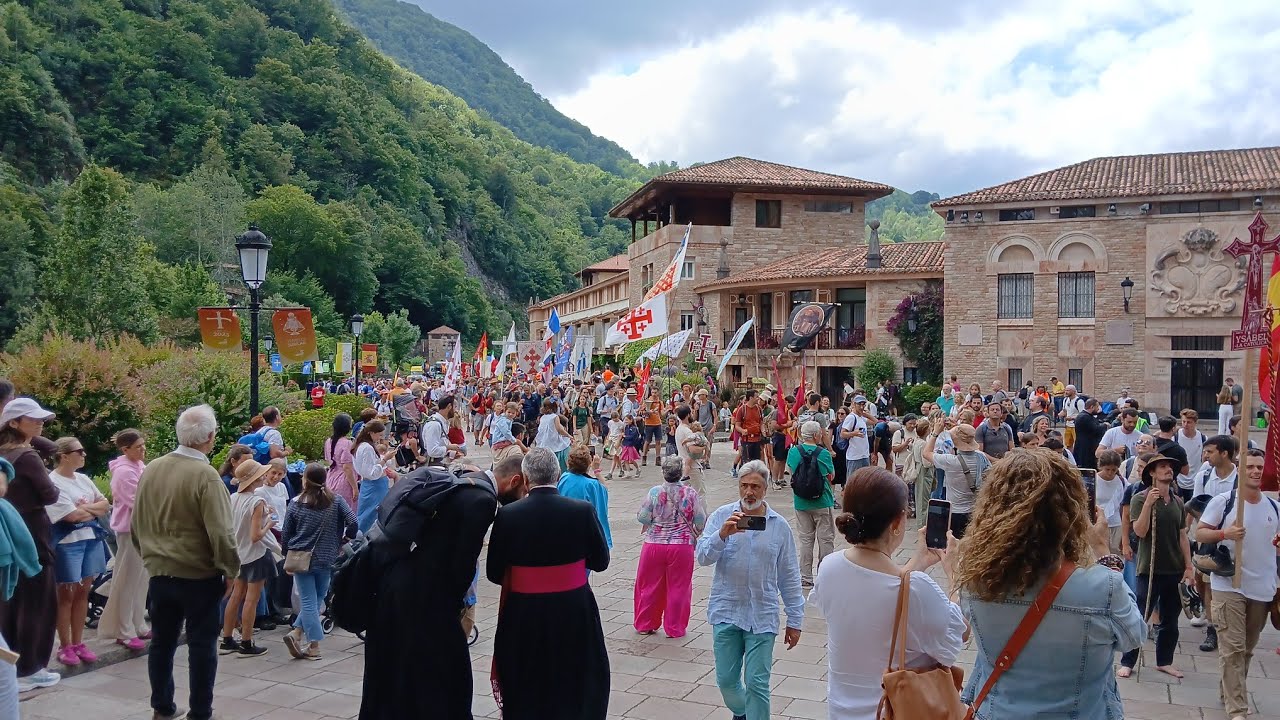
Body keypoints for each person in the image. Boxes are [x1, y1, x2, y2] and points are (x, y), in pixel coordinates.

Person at [954, 449, 1142, 717]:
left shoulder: (976, 580)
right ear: (1073, 512)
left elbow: (958, 633)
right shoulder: (1103, 587)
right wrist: (1102, 550)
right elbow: (1134, 636)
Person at [360, 456, 522, 720]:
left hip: (399, 582)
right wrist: (457, 603)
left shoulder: (467, 480)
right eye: (524, 490)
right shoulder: (483, 500)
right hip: (427, 596)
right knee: (447, 676)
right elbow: (463, 564)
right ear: (514, 481)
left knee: (397, 670)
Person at [810, 467, 966, 719]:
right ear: (896, 522)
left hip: (841, 711)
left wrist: (919, 561)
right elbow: (960, 632)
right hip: (894, 712)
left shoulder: (829, 567)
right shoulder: (918, 589)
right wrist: (954, 573)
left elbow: (880, 589)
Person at [132, 405, 240, 720]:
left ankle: (162, 707)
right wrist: (230, 569)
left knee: (162, 643)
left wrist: (150, 556)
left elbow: (136, 522)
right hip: (198, 575)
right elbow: (221, 532)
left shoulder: (153, 468)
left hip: (160, 573)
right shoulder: (206, 475)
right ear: (210, 437)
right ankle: (200, 712)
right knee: (202, 646)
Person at [487, 448, 610, 719]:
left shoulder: (507, 515)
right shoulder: (582, 511)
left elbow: (494, 573)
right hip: (573, 608)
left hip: (523, 611)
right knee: (575, 674)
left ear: (525, 478)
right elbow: (601, 562)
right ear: (558, 475)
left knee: (527, 677)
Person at [696, 460, 805, 720]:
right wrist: (722, 535)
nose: (749, 492)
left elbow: (789, 576)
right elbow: (702, 557)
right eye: (744, 485)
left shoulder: (779, 526)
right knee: (726, 680)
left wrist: (795, 620)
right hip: (726, 611)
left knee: (757, 684)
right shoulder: (722, 516)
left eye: (755, 486)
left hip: (762, 615)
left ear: (765, 488)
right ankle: (742, 712)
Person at [1195, 448, 1279, 720]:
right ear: (1239, 470)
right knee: (1233, 648)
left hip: (1262, 587)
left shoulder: (1274, 508)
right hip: (1229, 583)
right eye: (1249, 467)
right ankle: (1238, 708)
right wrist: (1225, 533)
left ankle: (1229, 690)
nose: (1255, 472)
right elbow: (1200, 533)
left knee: (1247, 649)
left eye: (1259, 467)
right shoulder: (1224, 502)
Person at [0, 397, 60, 691]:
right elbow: (51, 494)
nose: (40, 424)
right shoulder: (26, 456)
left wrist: (30, 436)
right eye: (33, 419)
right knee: (39, 603)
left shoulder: (6, 453)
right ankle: (30, 668)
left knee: (10, 601)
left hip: (8, 535)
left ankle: (11, 665)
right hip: (33, 536)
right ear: (14, 422)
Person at [1117, 454, 1193, 679]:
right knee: (1140, 616)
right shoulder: (1140, 498)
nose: (1168, 470)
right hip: (1149, 568)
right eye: (1163, 466)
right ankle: (1128, 661)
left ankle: (1164, 661)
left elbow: (1182, 536)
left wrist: (1188, 566)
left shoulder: (1177, 501)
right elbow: (1140, 532)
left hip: (1174, 568)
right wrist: (1149, 504)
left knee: (1170, 620)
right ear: (1152, 473)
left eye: (1170, 467)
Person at [281, 463, 356, 661]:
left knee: (308, 600)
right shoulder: (336, 500)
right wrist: (344, 539)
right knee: (318, 597)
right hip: (327, 556)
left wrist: (286, 555)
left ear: (305, 480)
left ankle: (311, 643)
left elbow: (286, 533)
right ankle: (301, 635)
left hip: (301, 557)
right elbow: (353, 522)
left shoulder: (296, 503)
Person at [47, 437, 110, 667]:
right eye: (79, 451)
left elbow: (105, 504)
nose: (84, 455)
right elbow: (70, 516)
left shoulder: (83, 478)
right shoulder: (53, 482)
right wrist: (89, 511)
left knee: (83, 592)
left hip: (90, 539)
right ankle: (64, 645)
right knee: (66, 595)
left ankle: (78, 642)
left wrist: (84, 509)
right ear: (64, 456)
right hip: (67, 543)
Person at [635, 456, 706, 638]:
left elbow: (643, 517)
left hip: (654, 544)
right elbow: (700, 520)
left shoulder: (654, 492)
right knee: (679, 587)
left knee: (649, 585)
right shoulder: (690, 493)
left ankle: (646, 623)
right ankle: (674, 627)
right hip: (681, 546)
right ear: (681, 473)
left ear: (663, 472)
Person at [219, 459, 280, 657]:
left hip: (238, 554)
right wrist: (269, 523)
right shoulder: (256, 502)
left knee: (236, 595)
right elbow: (256, 536)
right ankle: (246, 642)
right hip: (255, 555)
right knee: (251, 599)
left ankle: (227, 638)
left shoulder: (233, 497)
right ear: (254, 479)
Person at [98, 429, 151, 651]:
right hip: (129, 530)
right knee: (128, 579)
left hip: (144, 528)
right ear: (125, 449)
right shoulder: (123, 472)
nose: (143, 449)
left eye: (143, 445)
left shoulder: (139, 466)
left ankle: (138, 623)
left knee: (142, 579)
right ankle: (124, 629)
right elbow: (136, 500)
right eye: (138, 446)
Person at [787, 421, 836, 588]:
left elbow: (792, 473)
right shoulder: (824, 453)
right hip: (822, 501)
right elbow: (832, 475)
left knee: (806, 540)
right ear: (816, 435)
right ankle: (824, 576)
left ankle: (806, 577)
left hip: (801, 502)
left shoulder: (793, 452)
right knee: (826, 540)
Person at [923, 419, 986, 539]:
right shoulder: (981, 457)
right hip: (975, 510)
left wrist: (935, 433)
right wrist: (958, 429)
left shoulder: (951, 461)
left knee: (954, 544)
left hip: (956, 512)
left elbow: (926, 453)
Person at [558, 445, 612, 551]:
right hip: (586, 533)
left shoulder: (564, 478)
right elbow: (604, 491)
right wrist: (597, 470)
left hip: (566, 530)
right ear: (588, 463)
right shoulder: (592, 485)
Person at [352, 421, 399, 534]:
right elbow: (371, 473)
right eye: (379, 435)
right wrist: (385, 459)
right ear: (371, 433)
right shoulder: (367, 448)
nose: (380, 438)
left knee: (366, 512)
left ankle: (359, 535)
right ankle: (364, 537)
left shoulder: (360, 445)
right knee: (372, 514)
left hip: (370, 484)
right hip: (375, 485)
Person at [324, 413, 359, 511]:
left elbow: (328, 460)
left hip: (331, 478)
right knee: (347, 511)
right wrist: (355, 487)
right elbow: (347, 468)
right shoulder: (347, 443)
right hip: (344, 481)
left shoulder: (328, 441)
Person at [534, 398, 573, 471]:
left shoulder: (543, 417)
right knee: (563, 447)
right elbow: (559, 429)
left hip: (544, 442)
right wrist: (568, 435)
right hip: (553, 441)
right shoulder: (555, 417)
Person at [840, 395, 871, 477]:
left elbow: (874, 421)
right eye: (859, 404)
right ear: (854, 404)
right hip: (854, 456)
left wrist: (864, 414)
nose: (861, 407)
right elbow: (842, 434)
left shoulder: (861, 418)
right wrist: (854, 433)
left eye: (863, 405)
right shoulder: (851, 417)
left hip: (864, 455)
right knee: (853, 480)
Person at [1072, 398, 1109, 469]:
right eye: (1097, 407)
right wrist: (1105, 425)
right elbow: (1096, 429)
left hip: (1088, 448)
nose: (1098, 409)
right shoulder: (1084, 417)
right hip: (1085, 450)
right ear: (1092, 407)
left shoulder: (1087, 416)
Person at [732, 390, 766, 465]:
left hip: (757, 440)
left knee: (756, 463)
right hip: (746, 440)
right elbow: (737, 425)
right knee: (746, 463)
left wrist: (763, 431)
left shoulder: (759, 409)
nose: (758, 399)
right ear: (751, 398)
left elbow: (761, 423)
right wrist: (742, 430)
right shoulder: (742, 409)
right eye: (757, 397)